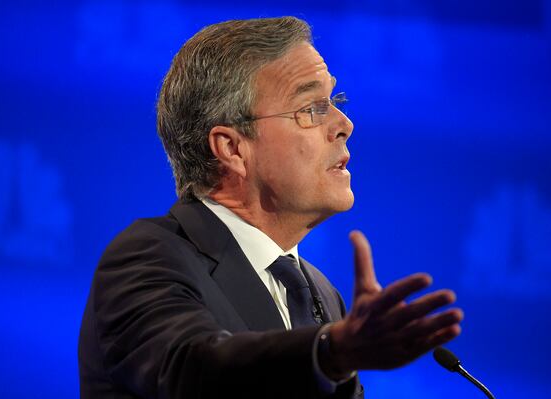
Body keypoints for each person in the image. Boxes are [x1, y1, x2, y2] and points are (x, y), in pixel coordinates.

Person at [78, 16, 463, 399]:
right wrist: (331, 352)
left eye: (335, 101)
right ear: (231, 148)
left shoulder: (323, 295)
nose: (344, 123)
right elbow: (195, 369)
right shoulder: (148, 256)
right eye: (311, 107)